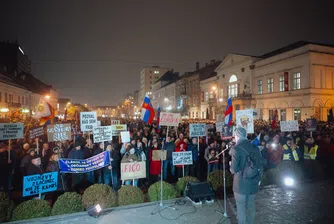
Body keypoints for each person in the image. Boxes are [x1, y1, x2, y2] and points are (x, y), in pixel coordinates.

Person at [230, 127, 264, 224]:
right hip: (253, 182)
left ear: (237, 136)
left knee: (241, 209)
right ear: (245, 135)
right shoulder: (255, 147)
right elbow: (259, 164)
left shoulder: (236, 149)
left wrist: (230, 166)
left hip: (241, 184)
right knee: (251, 207)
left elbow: (233, 169)